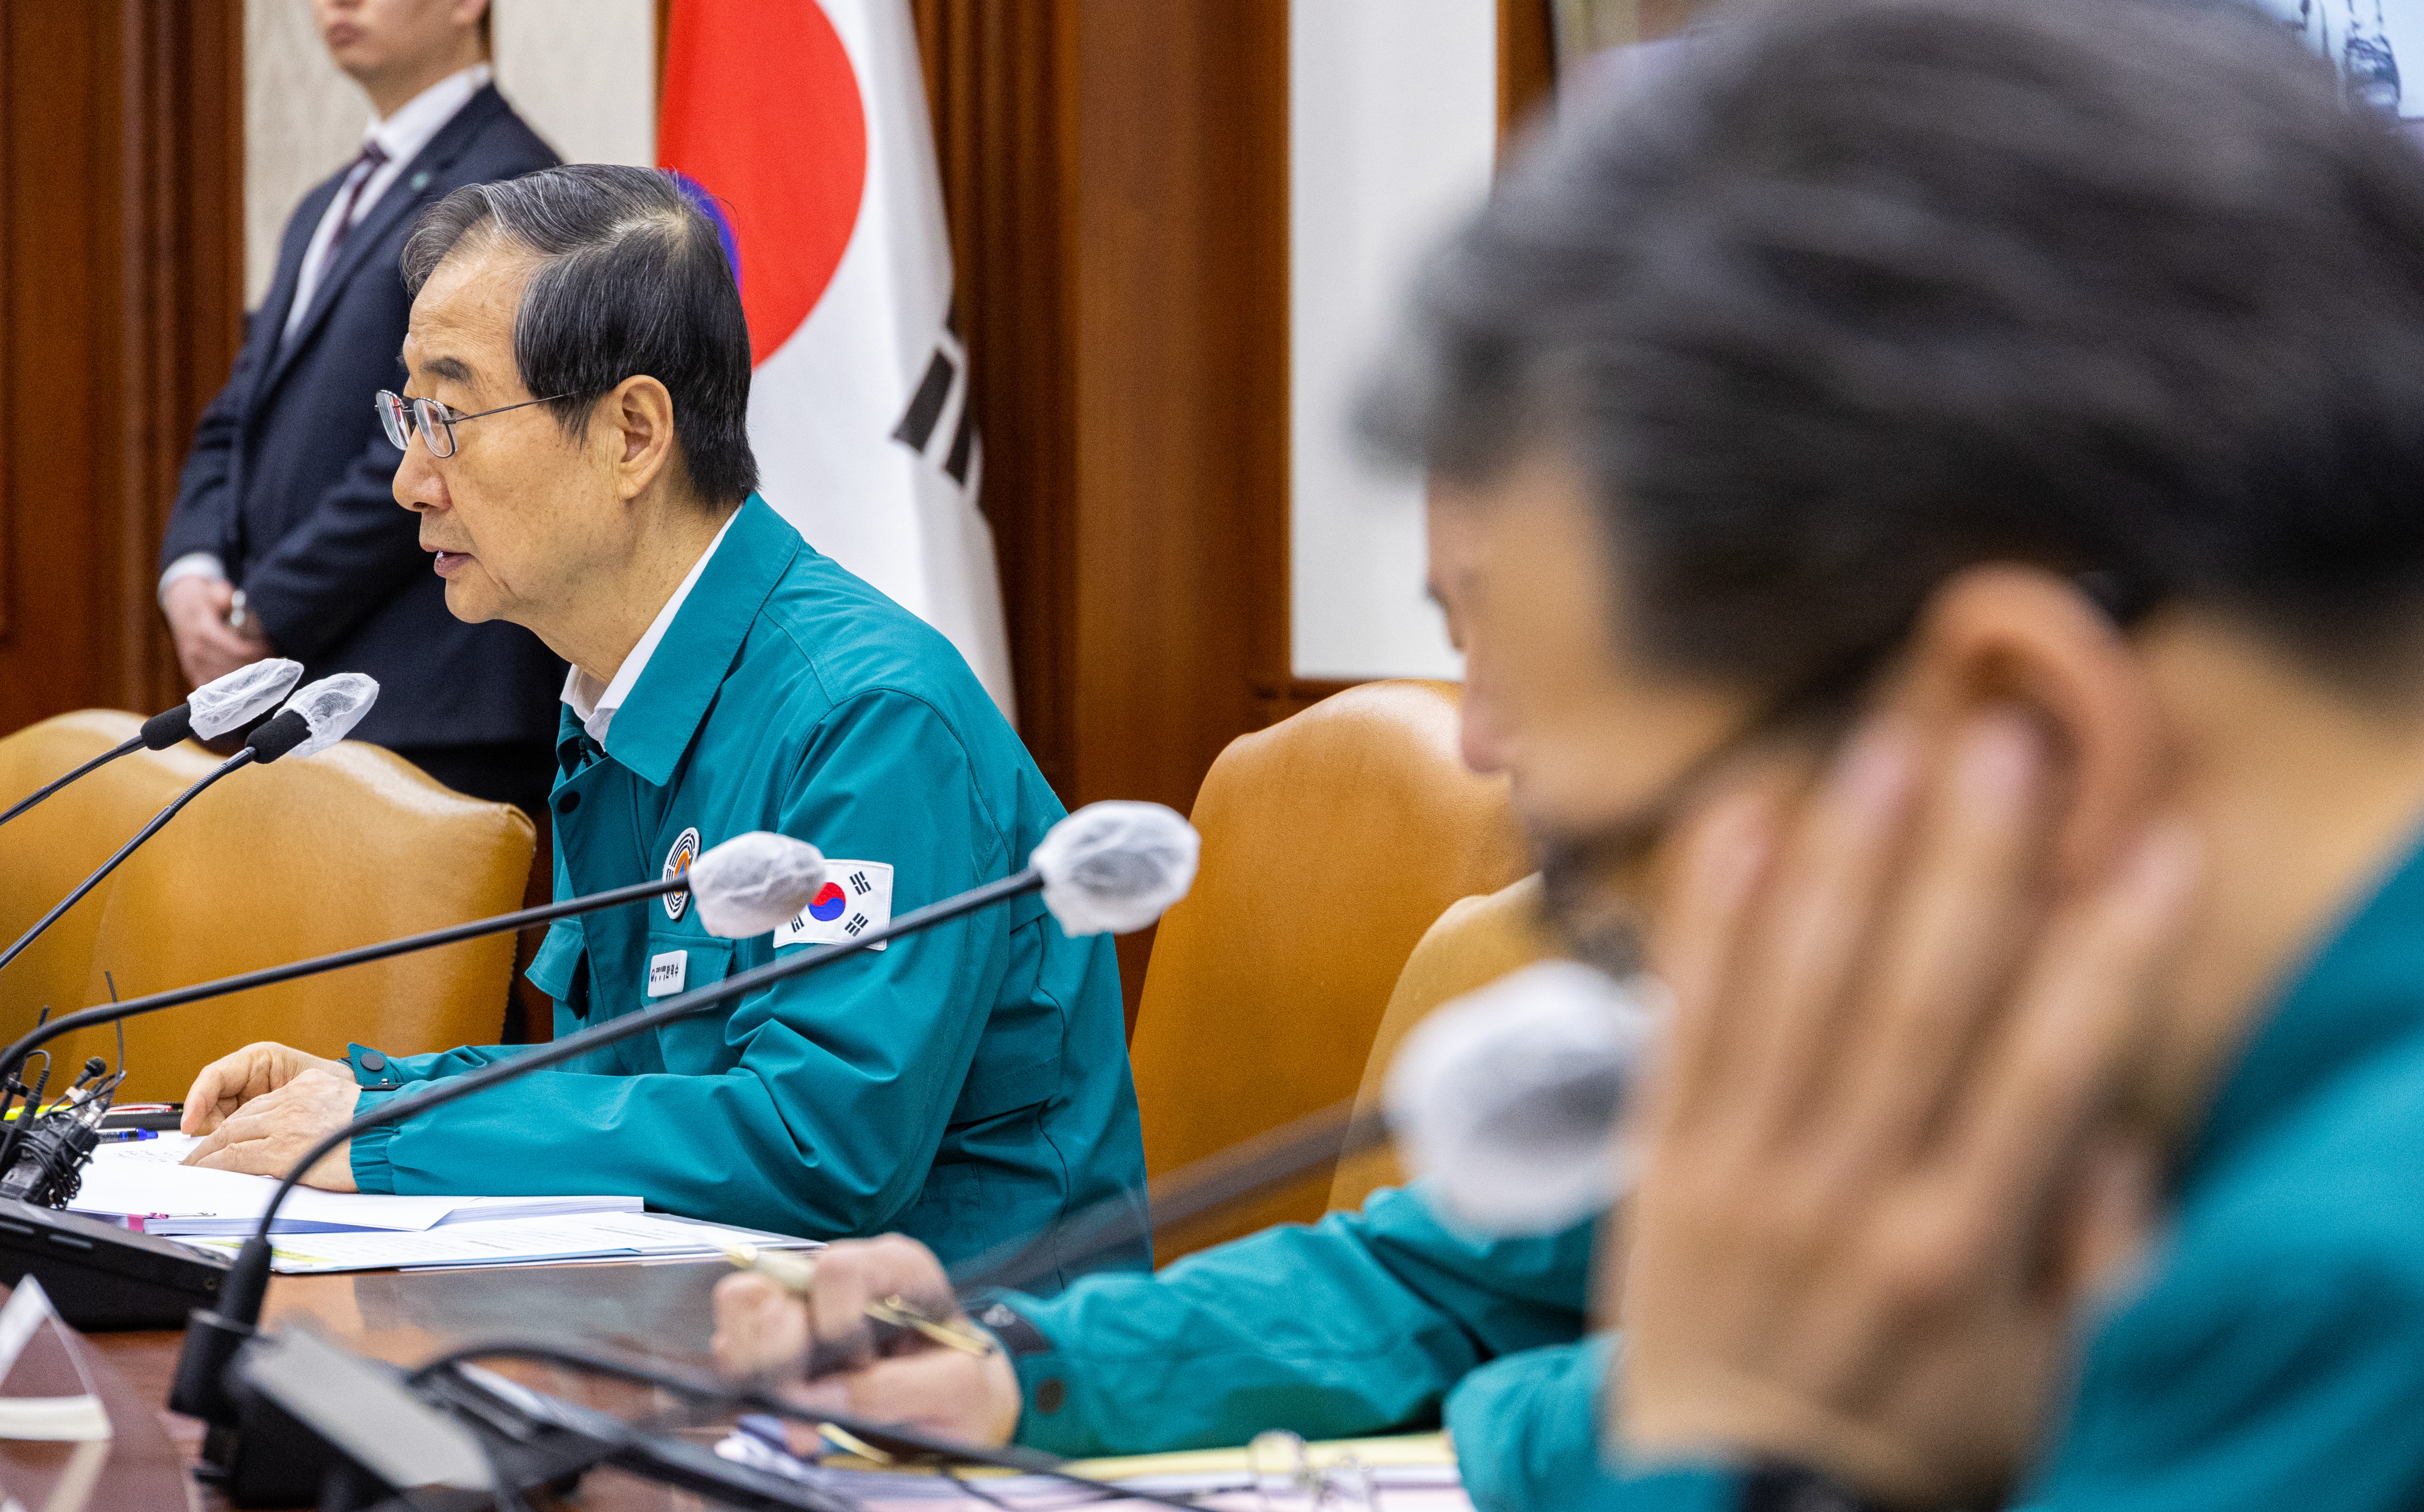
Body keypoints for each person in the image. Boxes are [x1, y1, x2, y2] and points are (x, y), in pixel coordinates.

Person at [711, 1, 2424, 1508]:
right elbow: (1494, 1272)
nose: (1488, 754)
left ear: (2020, 724)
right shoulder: (2122, 1080)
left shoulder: (2331, 1287)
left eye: (1624, 859)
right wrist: (1029, 1361)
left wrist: (1748, 1449)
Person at [170, 165, 1150, 1283]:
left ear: (633, 432)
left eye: (447, 415)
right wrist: (376, 1095)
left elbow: (815, 1144)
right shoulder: (613, 692)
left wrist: (390, 1137)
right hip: (703, 1323)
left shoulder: (870, 721)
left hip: (955, 1377)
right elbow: (634, 1086)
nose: (410, 480)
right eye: (408, 413)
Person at [159, 0, 564, 820]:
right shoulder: (322, 207)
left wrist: (262, 610)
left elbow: (441, 434)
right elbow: (237, 415)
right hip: (307, 697)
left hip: (429, 702)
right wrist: (192, 570)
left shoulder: (513, 186)